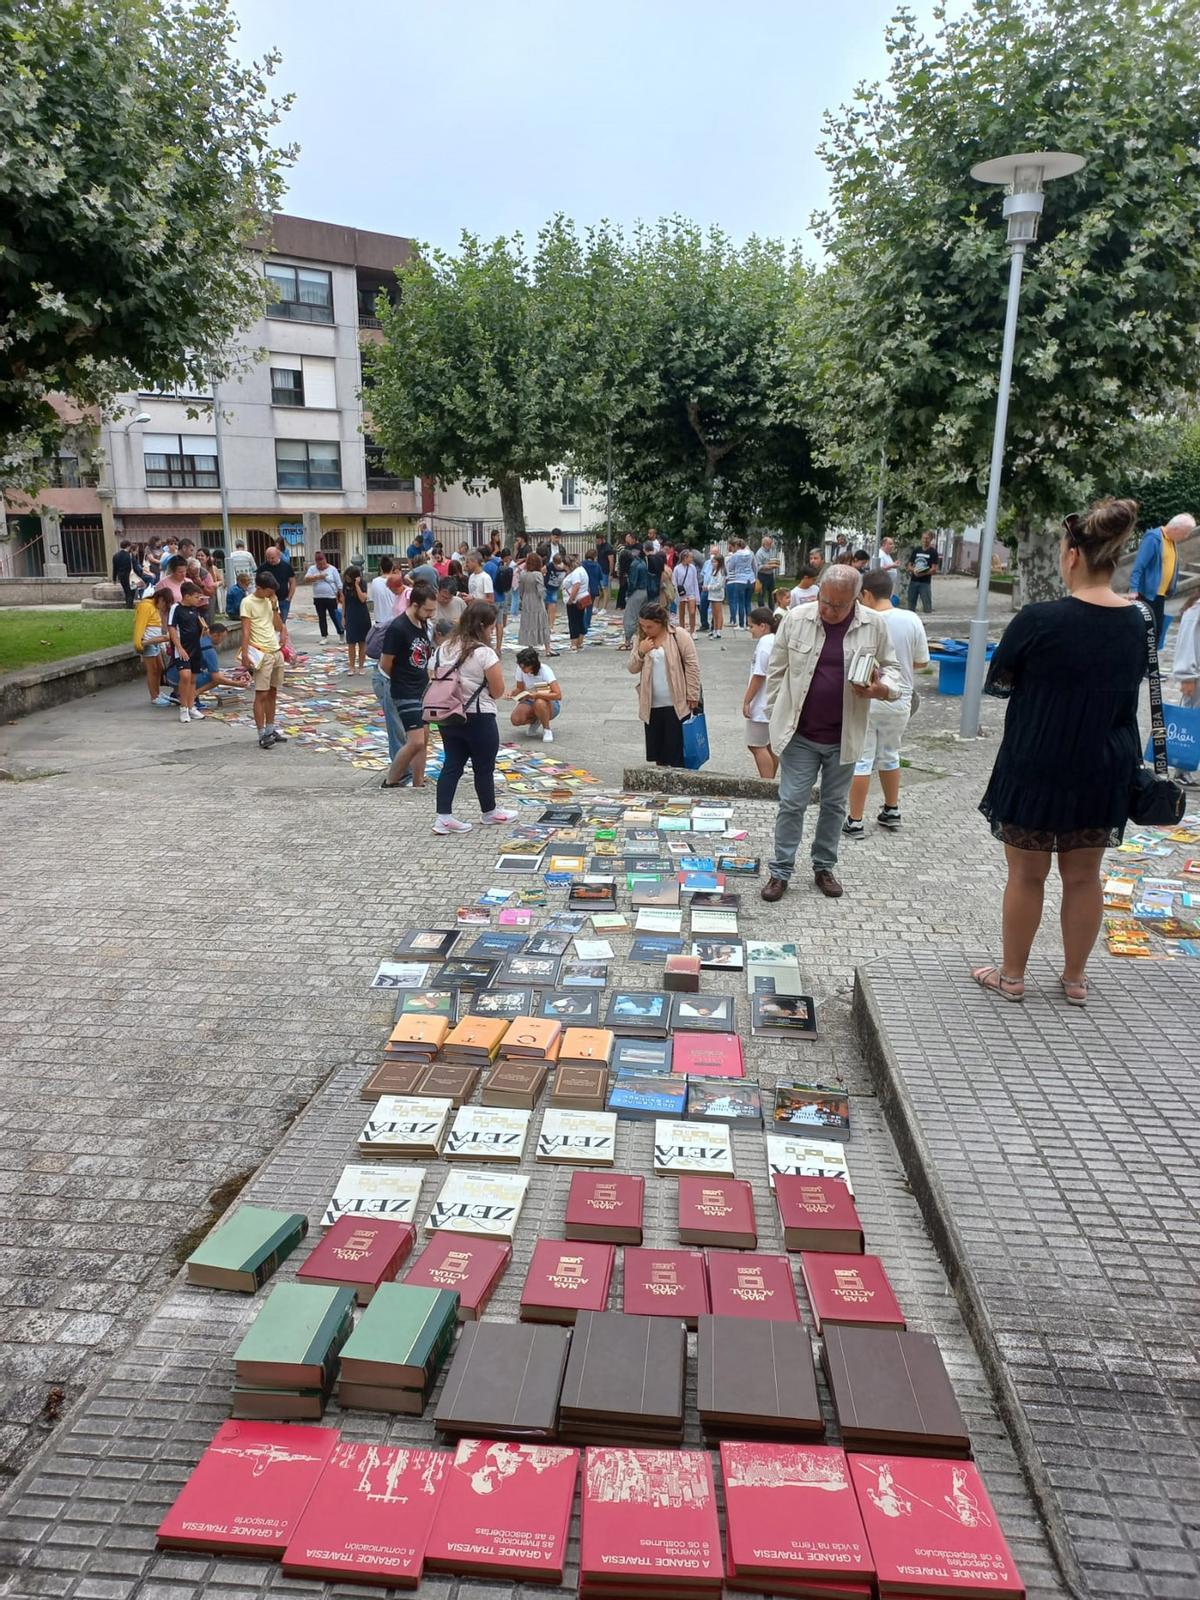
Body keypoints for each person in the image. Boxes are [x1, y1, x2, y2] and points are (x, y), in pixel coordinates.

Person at [973, 497, 1150, 1007]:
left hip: (1039, 758)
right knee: (1084, 875)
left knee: (1027, 874)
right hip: (1104, 763)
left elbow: (1001, 683)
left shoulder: (1039, 619)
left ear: (1072, 555)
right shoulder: (1139, 621)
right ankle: (1075, 979)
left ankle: (1012, 976)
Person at [761, 565, 902, 901]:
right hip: (800, 733)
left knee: (834, 805)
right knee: (792, 801)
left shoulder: (874, 624)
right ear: (819, 591)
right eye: (825, 601)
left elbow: (894, 669)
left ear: (856, 599)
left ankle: (824, 866)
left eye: (839, 605)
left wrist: (882, 689)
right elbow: (776, 671)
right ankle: (780, 871)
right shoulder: (797, 619)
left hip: (845, 735)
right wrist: (773, 716)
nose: (829, 610)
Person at [843, 568, 931, 837]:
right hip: (899, 698)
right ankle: (891, 809)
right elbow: (922, 662)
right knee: (891, 754)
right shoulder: (910, 619)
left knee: (862, 758)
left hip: (865, 696)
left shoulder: (862, 620)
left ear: (866, 594)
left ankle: (855, 819)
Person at [428, 601, 518, 834]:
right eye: (490, 628)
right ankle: (489, 812)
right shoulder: (484, 653)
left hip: (448, 715)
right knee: (484, 767)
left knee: (452, 764)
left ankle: (444, 817)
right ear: (481, 626)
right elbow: (498, 691)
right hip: (479, 716)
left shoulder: (443, 649)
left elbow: (433, 677)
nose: (492, 632)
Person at [626, 602, 702, 768]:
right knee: (659, 753)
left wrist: (693, 693)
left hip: (677, 702)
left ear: (661, 623)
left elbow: (692, 664)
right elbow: (632, 668)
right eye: (643, 625)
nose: (646, 629)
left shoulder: (678, 635)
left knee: (676, 752)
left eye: (650, 626)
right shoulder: (641, 638)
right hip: (652, 704)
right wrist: (641, 651)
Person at [379, 581, 437, 788]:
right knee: (416, 741)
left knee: (425, 738)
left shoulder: (422, 624)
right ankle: (391, 780)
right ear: (414, 605)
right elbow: (385, 664)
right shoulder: (398, 627)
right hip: (405, 690)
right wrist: (401, 681)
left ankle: (418, 782)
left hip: (422, 688)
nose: (430, 614)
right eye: (427, 610)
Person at [240, 570, 288, 750]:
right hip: (261, 652)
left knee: (273, 691)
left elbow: (277, 625)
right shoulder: (247, 602)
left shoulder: (270, 601)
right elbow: (245, 630)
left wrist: (275, 606)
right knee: (261, 693)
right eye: (269, 591)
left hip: (275, 649)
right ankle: (262, 733)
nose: (271, 594)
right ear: (259, 588)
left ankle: (271, 728)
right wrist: (245, 654)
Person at [1129, 512, 1196, 643]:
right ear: (1176, 529)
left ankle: (1148, 661)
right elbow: (1139, 566)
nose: (1186, 536)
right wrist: (1133, 589)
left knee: (1156, 632)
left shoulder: (1171, 541)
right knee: (1146, 631)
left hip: (1160, 595)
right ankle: (1141, 660)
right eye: (1185, 533)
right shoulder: (1153, 539)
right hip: (1147, 594)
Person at [743, 607, 779, 778]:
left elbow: (759, 675)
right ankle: (770, 778)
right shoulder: (775, 640)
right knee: (770, 745)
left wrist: (747, 700)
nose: (750, 630)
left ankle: (766, 781)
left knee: (756, 745)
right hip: (774, 700)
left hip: (762, 703)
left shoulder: (765, 644)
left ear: (763, 626)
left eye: (752, 626)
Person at [167, 581, 208, 725]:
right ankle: (183, 707)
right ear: (187, 596)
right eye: (196, 597)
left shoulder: (195, 610)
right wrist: (178, 647)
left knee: (193, 679)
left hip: (195, 647)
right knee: (185, 676)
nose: (198, 600)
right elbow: (172, 628)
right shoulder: (176, 608)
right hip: (183, 648)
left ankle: (191, 706)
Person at [1172, 590, 1200, 785]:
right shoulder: (1196, 608)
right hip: (1196, 677)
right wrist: (1187, 675)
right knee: (1189, 722)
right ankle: (1181, 768)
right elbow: (1187, 640)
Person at [507, 646, 562, 742]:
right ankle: (537, 720)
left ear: (532, 664)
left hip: (548, 702)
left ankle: (547, 729)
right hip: (530, 699)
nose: (522, 669)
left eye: (525, 667)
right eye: (521, 666)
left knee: (539, 702)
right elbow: (520, 688)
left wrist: (536, 695)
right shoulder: (520, 670)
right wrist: (512, 694)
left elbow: (557, 695)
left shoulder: (545, 670)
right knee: (516, 719)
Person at [133, 586, 171, 702]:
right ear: (160, 599)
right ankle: (154, 696)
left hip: (155, 642)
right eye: (164, 604)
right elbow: (140, 625)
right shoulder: (146, 606)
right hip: (148, 642)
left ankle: (158, 693)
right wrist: (138, 644)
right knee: (152, 670)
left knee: (160, 668)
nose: (164, 607)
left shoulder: (154, 607)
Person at [305, 550, 345, 639]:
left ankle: (341, 633)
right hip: (318, 597)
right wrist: (318, 577)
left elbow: (339, 584)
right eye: (319, 564)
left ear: (325, 560)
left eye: (323, 563)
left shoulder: (332, 569)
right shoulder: (312, 569)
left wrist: (341, 595)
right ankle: (324, 636)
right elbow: (306, 579)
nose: (322, 566)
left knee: (335, 616)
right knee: (321, 617)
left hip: (331, 597)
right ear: (316, 563)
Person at [517, 552, 550, 651]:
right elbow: (541, 591)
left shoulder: (523, 575)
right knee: (542, 622)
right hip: (536, 600)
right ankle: (547, 648)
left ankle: (530, 646)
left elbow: (520, 590)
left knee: (528, 622)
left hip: (526, 600)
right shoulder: (538, 575)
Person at [342, 563, 370, 675]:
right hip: (350, 615)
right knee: (351, 643)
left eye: (349, 577)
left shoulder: (362, 584)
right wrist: (343, 616)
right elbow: (344, 601)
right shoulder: (345, 585)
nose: (347, 579)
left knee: (362, 642)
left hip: (362, 615)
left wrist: (357, 585)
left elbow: (363, 599)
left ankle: (361, 666)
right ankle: (351, 666)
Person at [621, 544, 651, 649]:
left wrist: (628, 594)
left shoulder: (633, 565)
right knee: (641, 616)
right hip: (645, 591)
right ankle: (640, 639)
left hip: (637, 592)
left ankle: (627, 641)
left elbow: (633, 582)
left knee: (629, 616)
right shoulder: (642, 562)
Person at [563, 554, 592, 650]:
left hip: (575, 601)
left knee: (573, 622)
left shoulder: (576, 573)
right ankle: (580, 642)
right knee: (580, 620)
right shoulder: (581, 570)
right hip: (582, 598)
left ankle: (574, 643)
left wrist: (571, 599)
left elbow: (576, 586)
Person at [725, 538, 755, 631]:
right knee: (748, 603)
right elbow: (754, 566)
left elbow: (731, 567)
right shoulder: (751, 553)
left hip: (740, 580)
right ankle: (749, 624)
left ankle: (741, 625)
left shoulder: (735, 555)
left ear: (737, 546)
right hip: (751, 579)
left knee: (741, 602)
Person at [906, 532, 941, 613]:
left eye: (927, 538)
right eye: (923, 538)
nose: (925, 540)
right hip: (913, 581)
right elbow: (909, 566)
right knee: (910, 605)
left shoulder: (933, 552)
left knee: (927, 606)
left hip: (925, 583)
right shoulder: (916, 550)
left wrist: (922, 572)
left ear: (931, 539)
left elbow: (934, 569)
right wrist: (914, 570)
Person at [262, 544, 296, 622]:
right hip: (268, 599)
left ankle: (282, 633)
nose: (270, 560)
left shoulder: (286, 566)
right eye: (268, 558)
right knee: (270, 620)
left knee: (282, 621)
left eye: (272, 558)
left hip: (284, 598)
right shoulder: (263, 567)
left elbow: (292, 582)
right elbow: (258, 582)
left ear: (278, 556)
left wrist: (289, 597)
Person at [674, 549, 700, 633]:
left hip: (691, 592)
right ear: (685, 557)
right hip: (681, 593)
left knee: (692, 612)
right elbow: (675, 582)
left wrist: (697, 596)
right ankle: (682, 630)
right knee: (681, 613)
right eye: (690, 557)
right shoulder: (677, 568)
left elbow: (695, 581)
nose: (692, 559)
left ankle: (692, 631)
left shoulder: (692, 568)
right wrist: (677, 595)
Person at [493, 550, 516, 646]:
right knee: (501, 611)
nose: (509, 558)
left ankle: (504, 626)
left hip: (504, 589)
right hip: (501, 590)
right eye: (508, 556)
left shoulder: (508, 564)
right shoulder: (499, 563)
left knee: (504, 609)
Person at [703, 552, 726, 639]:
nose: (713, 564)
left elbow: (719, 584)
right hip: (712, 594)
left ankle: (718, 630)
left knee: (718, 612)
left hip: (717, 595)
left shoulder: (720, 572)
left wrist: (709, 587)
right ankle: (714, 629)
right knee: (714, 613)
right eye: (712, 562)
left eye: (715, 562)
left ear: (719, 563)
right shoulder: (714, 571)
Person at [753, 536, 781, 606]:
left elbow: (772, 560)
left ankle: (772, 610)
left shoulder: (771, 550)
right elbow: (758, 567)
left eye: (771, 543)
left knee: (772, 594)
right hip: (762, 575)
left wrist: (775, 563)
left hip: (770, 575)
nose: (771, 545)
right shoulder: (759, 553)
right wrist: (769, 566)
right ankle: (762, 611)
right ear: (764, 544)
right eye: (769, 544)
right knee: (761, 594)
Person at [582, 546, 605, 629]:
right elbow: (600, 577)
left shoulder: (583, 564)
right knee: (589, 607)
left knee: (582, 606)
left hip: (584, 588)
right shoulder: (597, 566)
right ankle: (587, 623)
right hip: (593, 588)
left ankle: (582, 623)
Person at [112, 541, 135, 607]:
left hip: (121, 576)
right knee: (132, 590)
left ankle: (128, 603)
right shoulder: (129, 555)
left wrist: (114, 579)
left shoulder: (115, 556)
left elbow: (115, 568)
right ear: (128, 546)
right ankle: (129, 605)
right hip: (130, 575)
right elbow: (134, 565)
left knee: (126, 590)